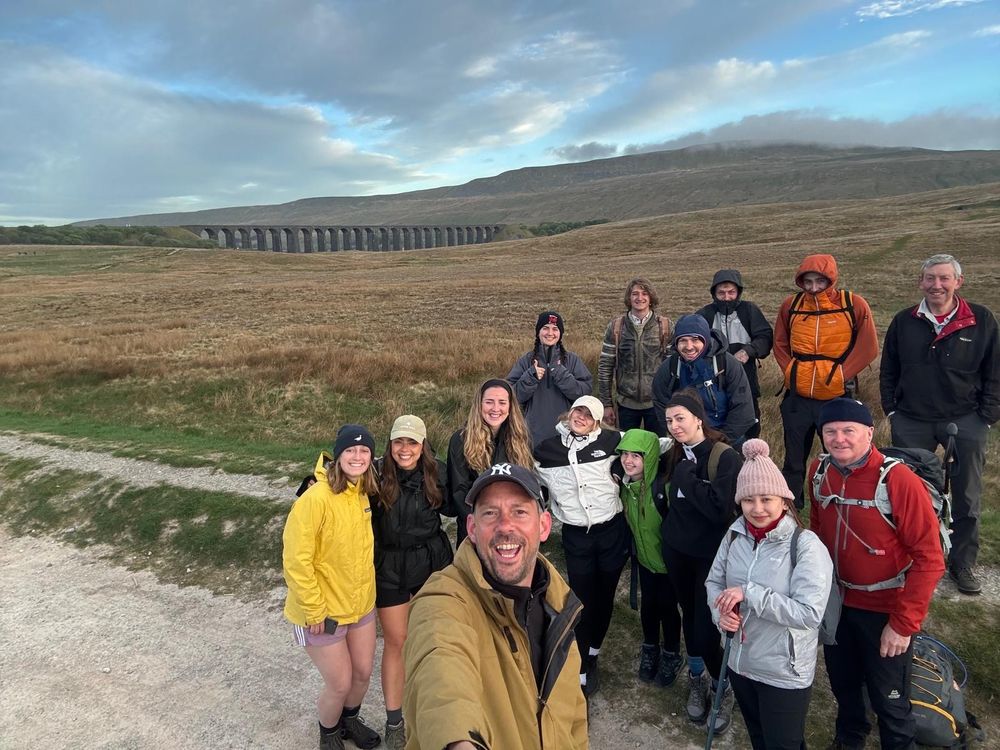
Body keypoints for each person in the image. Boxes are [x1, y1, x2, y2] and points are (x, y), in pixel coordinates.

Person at [403, 463, 588, 749]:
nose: (505, 526)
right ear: (472, 529)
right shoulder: (444, 597)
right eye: (490, 513)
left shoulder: (559, 604)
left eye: (519, 511)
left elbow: (574, 718)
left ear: (544, 526)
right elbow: (440, 668)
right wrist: (458, 742)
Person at [809, 398, 945, 750]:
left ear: (869, 433)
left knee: (889, 695)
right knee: (843, 681)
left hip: (885, 606)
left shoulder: (899, 481)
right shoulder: (818, 472)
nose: (839, 439)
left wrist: (903, 625)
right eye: (830, 432)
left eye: (848, 431)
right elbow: (817, 531)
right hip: (838, 603)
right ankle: (850, 737)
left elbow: (930, 559)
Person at [880, 253, 999, 596]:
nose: (937, 285)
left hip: (965, 420)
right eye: (930, 278)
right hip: (912, 419)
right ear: (921, 282)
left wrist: (987, 416)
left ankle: (962, 563)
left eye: (944, 278)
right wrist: (892, 410)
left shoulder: (981, 320)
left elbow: (995, 372)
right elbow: (889, 368)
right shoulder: (905, 320)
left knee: (966, 494)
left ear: (958, 282)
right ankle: (911, 558)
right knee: (906, 495)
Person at [706, 438, 833, 750]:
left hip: (783, 671)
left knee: (783, 744)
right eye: (748, 500)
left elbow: (809, 613)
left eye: (766, 499)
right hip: (739, 661)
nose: (757, 508)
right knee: (759, 738)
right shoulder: (734, 534)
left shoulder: (806, 545)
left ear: (784, 500)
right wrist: (719, 613)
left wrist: (750, 594)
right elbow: (713, 584)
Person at [282, 425, 383, 750]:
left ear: (371, 457)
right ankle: (328, 733)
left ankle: (350, 721)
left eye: (364, 451)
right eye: (350, 451)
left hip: (360, 605)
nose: (357, 456)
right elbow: (297, 561)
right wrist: (313, 609)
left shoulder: (363, 492)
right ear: (337, 456)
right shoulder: (315, 499)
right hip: (322, 612)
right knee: (339, 683)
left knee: (363, 673)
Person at [659, 389, 743, 733]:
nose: (675, 426)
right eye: (669, 421)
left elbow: (719, 509)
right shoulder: (674, 454)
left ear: (698, 418)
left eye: (680, 418)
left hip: (711, 557)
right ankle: (697, 678)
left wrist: (686, 480)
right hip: (676, 550)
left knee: (706, 627)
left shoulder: (724, 457)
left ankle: (722, 687)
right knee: (687, 616)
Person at [371, 415, 454, 749]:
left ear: (423, 445)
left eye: (412, 443)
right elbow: (339, 486)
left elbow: (464, 498)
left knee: (433, 640)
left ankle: (438, 712)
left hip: (429, 563)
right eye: (398, 442)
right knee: (397, 641)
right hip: (389, 566)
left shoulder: (438, 472)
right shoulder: (375, 472)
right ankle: (395, 721)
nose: (405, 450)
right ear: (390, 445)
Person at [534, 395, 625, 697]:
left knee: (606, 594)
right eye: (578, 411)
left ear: (598, 421)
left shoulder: (613, 441)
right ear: (570, 413)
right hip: (576, 535)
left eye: (589, 414)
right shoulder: (547, 449)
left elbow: (651, 445)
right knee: (582, 599)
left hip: (612, 530)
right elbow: (529, 476)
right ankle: (582, 667)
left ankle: (594, 653)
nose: (581, 417)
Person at [773, 254, 879, 507]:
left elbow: (868, 346)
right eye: (807, 282)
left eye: (819, 281)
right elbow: (779, 342)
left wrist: (842, 375)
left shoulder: (853, 304)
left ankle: (842, 503)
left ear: (831, 279)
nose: (813, 288)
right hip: (797, 395)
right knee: (793, 458)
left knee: (842, 454)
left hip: (836, 396)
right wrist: (791, 371)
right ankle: (791, 509)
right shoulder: (791, 305)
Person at [615, 428, 684, 688]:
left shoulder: (663, 488)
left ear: (652, 457)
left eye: (637, 456)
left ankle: (672, 653)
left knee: (668, 607)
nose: (629, 461)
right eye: (625, 454)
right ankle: (651, 647)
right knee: (648, 606)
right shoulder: (625, 486)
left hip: (668, 564)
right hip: (644, 560)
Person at [447, 378, 534, 545]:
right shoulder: (461, 440)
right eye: (489, 402)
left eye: (502, 402)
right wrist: (485, 526)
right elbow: (460, 492)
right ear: (479, 405)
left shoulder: (522, 439)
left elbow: (526, 486)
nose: (495, 409)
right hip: (476, 528)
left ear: (510, 406)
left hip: (512, 527)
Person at [652, 313, 756, 445]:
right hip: (687, 439)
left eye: (695, 340)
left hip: (727, 439)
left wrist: (721, 441)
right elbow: (661, 402)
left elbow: (743, 407)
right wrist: (679, 433)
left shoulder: (726, 363)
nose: (689, 347)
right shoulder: (670, 367)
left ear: (706, 340)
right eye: (683, 340)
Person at [696, 269, 774, 439]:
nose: (726, 297)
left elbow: (765, 338)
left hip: (745, 383)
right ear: (714, 293)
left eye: (731, 292)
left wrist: (748, 350)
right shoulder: (704, 315)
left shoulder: (749, 311)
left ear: (738, 292)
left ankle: (751, 461)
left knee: (750, 428)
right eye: (721, 293)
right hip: (713, 386)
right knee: (713, 429)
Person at [598, 277, 672, 435]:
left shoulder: (665, 326)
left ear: (651, 297)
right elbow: (605, 367)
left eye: (644, 293)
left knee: (659, 450)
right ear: (628, 298)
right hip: (626, 404)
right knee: (625, 449)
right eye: (635, 294)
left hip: (657, 404)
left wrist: (672, 400)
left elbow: (673, 368)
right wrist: (606, 404)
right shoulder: (617, 327)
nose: (640, 298)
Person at [508, 310, 594, 446]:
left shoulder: (572, 360)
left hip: (568, 433)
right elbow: (511, 396)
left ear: (560, 334)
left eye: (555, 329)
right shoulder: (526, 361)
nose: (550, 333)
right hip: (531, 434)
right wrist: (530, 376)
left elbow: (584, 394)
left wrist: (561, 374)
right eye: (545, 328)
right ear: (538, 332)